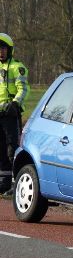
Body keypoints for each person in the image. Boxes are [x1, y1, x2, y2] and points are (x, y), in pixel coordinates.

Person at [0, 33, 29, 193]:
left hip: (11, 114)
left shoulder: (17, 67)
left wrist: (16, 103)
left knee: (12, 149)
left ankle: (15, 184)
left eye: (3, 48)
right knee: (1, 149)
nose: (0, 52)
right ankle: (3, 183)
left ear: (9, 50)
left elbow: (23, 88)